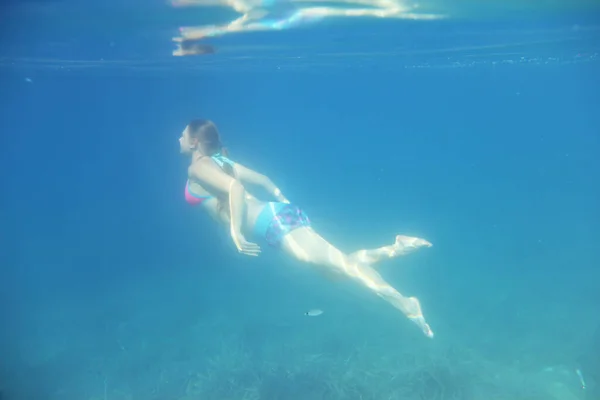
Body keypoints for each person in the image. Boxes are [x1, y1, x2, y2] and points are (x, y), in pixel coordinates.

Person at [179, 119, 435, 338]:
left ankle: (406, 304)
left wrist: (236, 232)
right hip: (277, 219)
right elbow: (266, 182)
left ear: (193, 142)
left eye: (183, 134)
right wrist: (285, 204)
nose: (178, 137)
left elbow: (236, 188)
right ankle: (397, 247)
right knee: (338, 272)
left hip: (275, 223)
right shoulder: (220, 161)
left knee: (345, 267)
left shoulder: (199, 166)